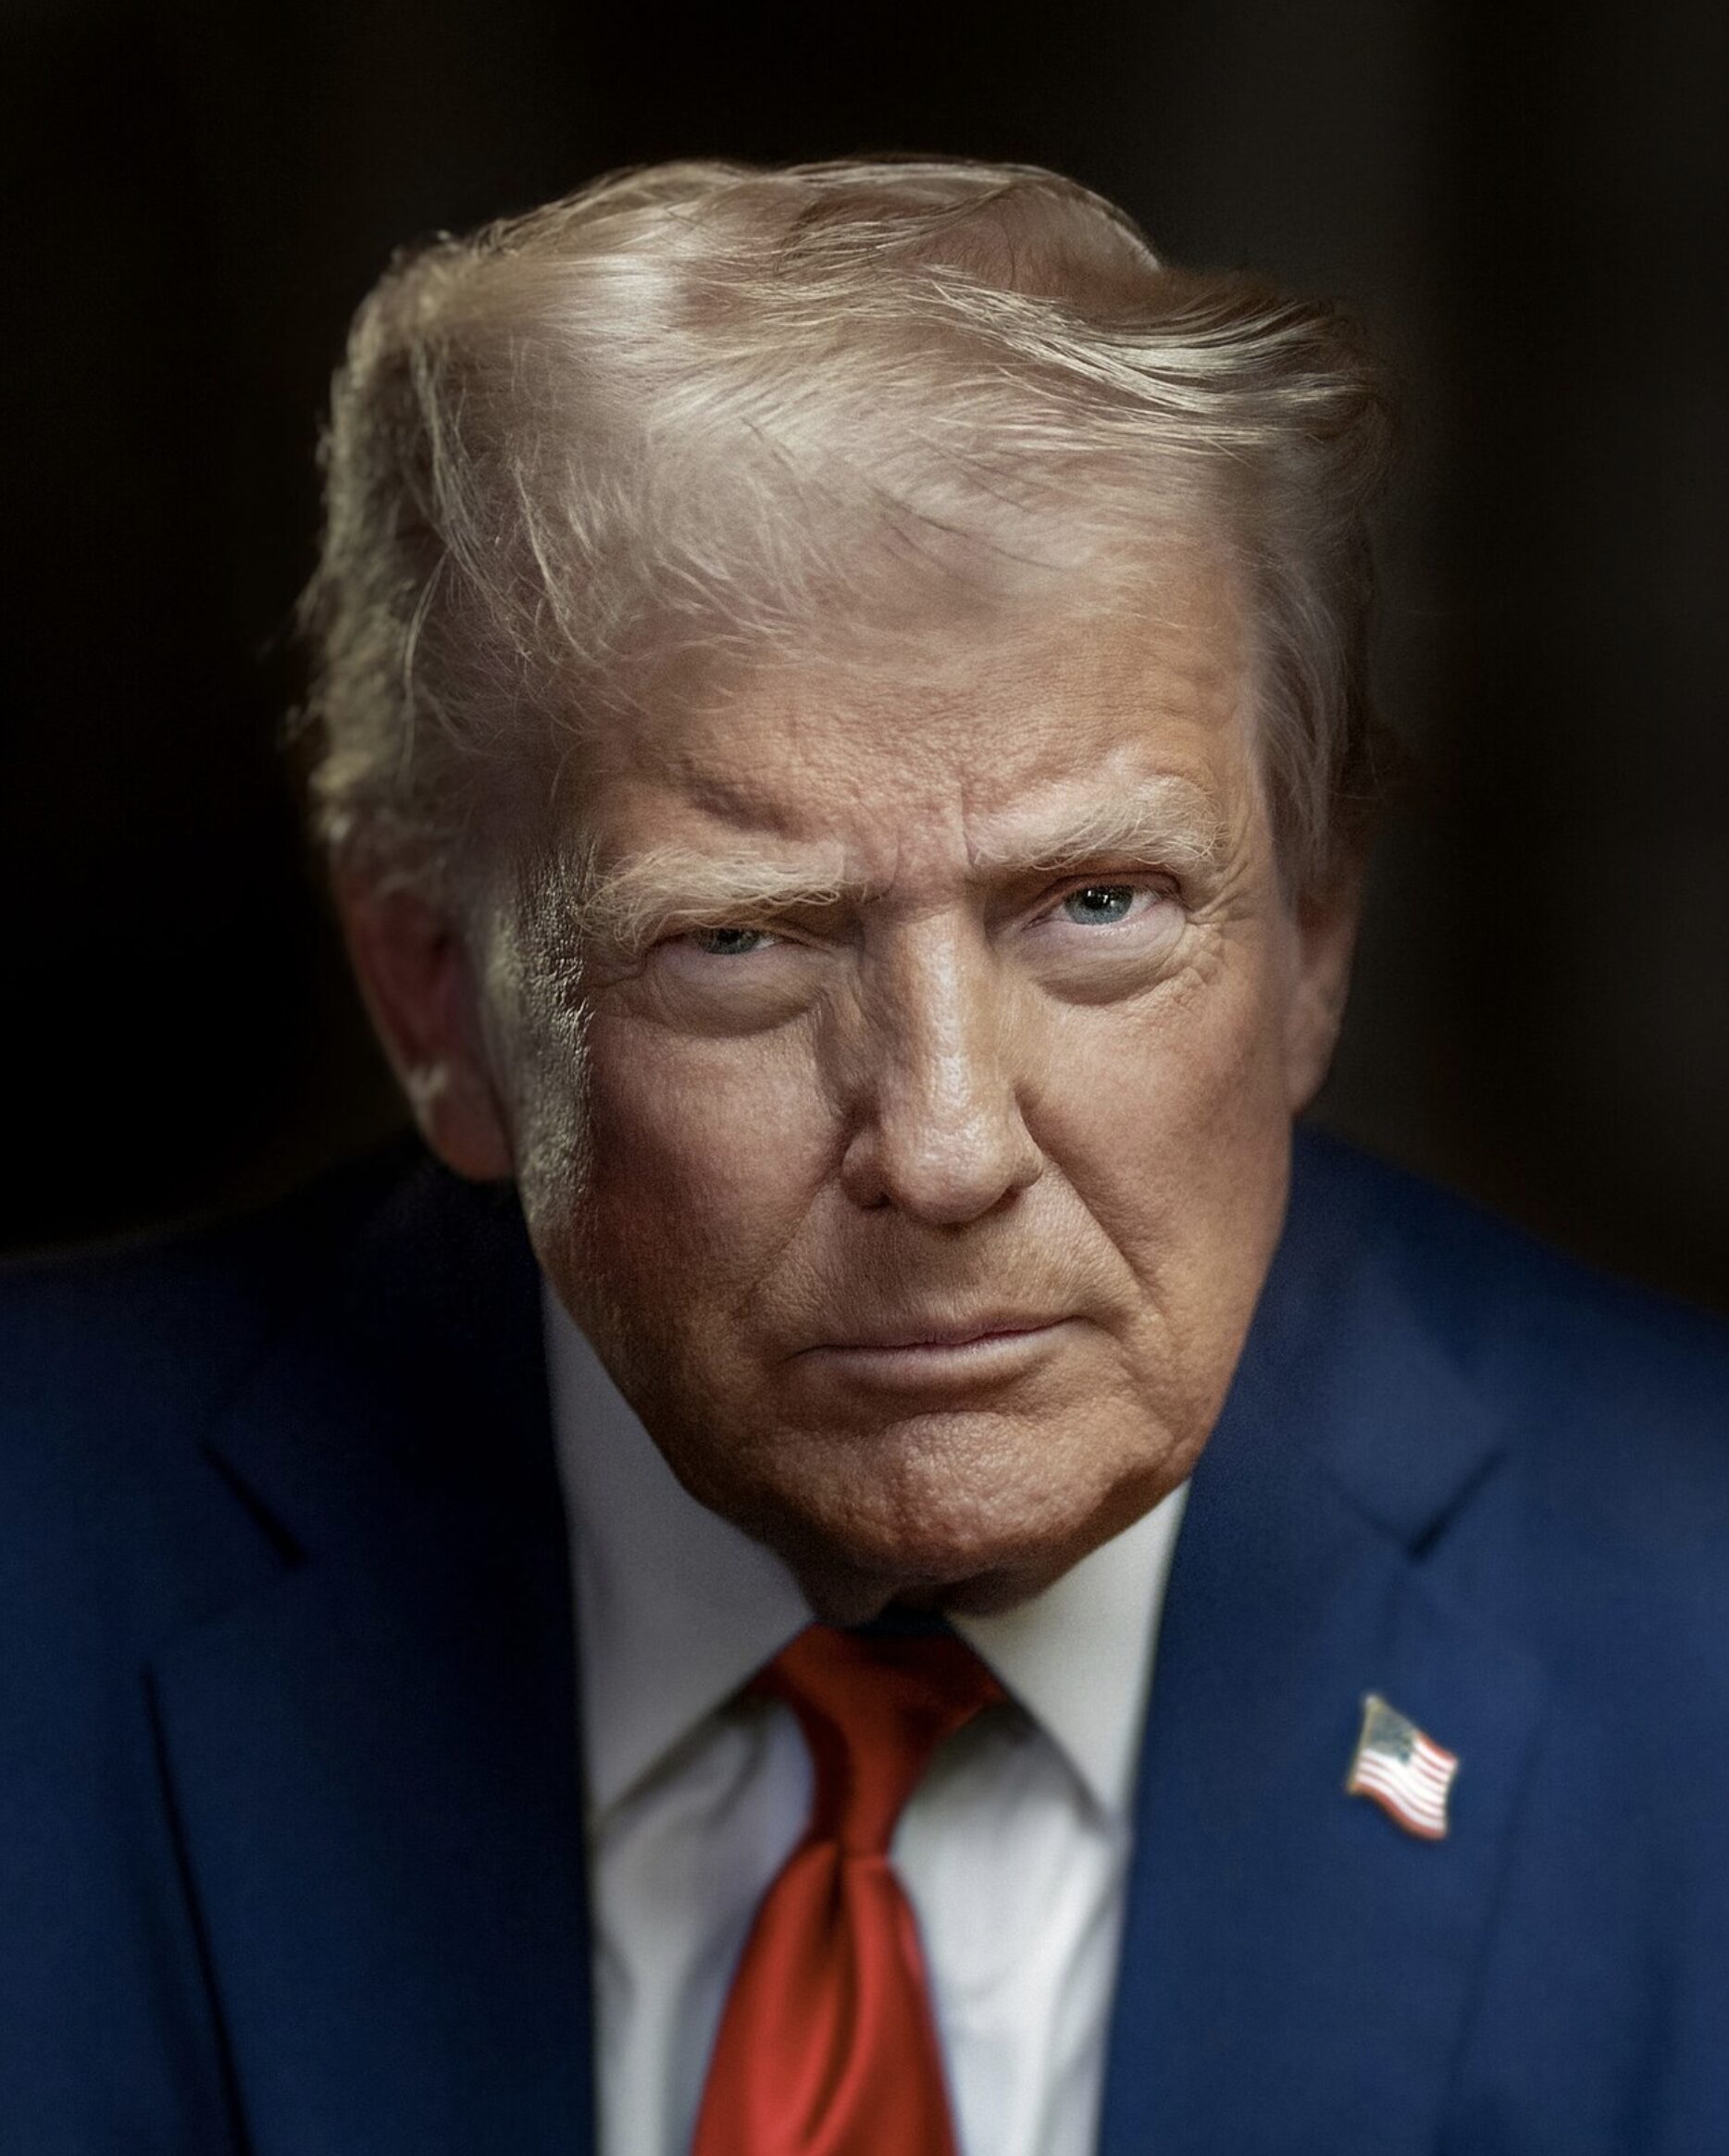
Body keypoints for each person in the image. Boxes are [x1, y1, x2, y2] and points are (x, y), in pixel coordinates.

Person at [4, 155, 1727, 2156]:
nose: (946, 1145)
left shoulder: (1687, 1611)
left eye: (1096, 906)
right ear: (437, 997)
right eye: (740, 943)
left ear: (1313, 943)